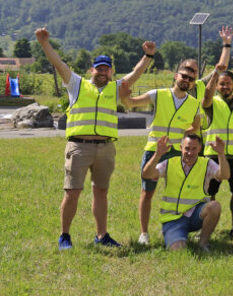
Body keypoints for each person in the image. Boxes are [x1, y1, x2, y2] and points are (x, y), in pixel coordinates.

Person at [35, 28, 153, 250]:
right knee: (72, 192)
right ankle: (65, 236)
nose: (102, 72)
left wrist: (147, 56)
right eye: (99, 68)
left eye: (106, 69)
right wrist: (44, 44)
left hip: (106, 148)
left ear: (111, 72)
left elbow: (135, 74)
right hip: (79, 147)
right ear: (92, 70)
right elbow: (59, 64)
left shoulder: (115, 89)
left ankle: (101, 235)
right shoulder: (77, 84)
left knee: (101, 192)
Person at [124, 57, 204, 245]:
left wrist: (182, 135)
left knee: (180, 193)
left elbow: (196, 127)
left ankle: (178, 229)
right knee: (147, 192)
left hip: (178, 154)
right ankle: (144, 234)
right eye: (184, 76)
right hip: (154, 150)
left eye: (191, 79)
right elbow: (131, 103)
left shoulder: (193, 104)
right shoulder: (158, 94)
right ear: (176, 75)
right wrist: (123, 93)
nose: (187, 80)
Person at [141, 134, 228, 251]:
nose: (190, 153)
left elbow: (225, 175)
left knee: (214, 206)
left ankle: (203, 243)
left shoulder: (206, 163)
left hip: (196, 215)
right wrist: (157, 154)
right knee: (178, 250)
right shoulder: (170, 163)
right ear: (181, 148)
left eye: (194, 149)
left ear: (200, 149)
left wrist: (221, 154)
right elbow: (146, 174)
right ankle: (173, 235)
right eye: (187, 148)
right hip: (173, 218)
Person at [201, 62, 233, 239]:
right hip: (213, 155)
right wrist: (215, 74)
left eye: (228, 83)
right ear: (217, 85)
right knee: (209, 193)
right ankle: (206, 226)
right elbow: (206, 94)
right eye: (221, 83)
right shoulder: (212, 103)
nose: (225, 86)